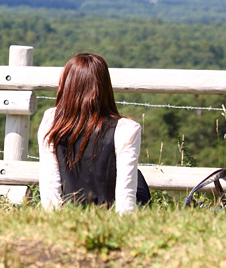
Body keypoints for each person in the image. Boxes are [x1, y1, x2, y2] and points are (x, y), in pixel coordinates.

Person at [37, 53, 150, 213]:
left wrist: (55, 219)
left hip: (68, 213)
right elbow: (126, 191)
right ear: (104, 86)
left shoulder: (52, 120)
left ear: (68, 84)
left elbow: (50, 184)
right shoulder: (127, 128)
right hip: (108, 212)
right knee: (138, 178)